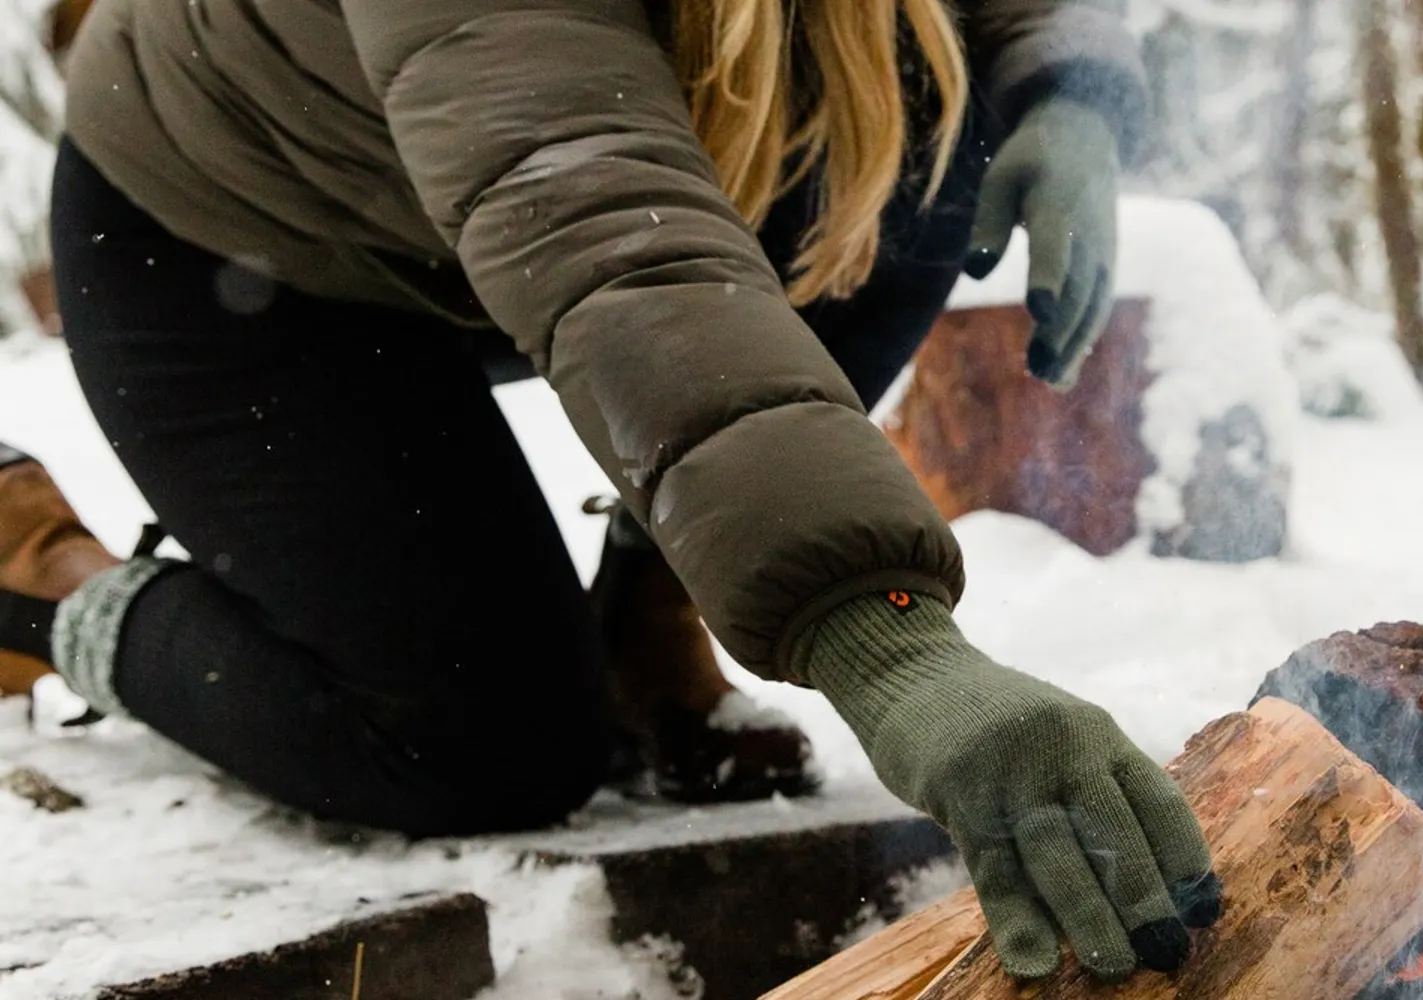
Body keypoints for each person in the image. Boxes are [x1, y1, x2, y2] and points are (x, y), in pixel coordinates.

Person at [0, 0, 1225, 981]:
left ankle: (651, 619)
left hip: (505, 207)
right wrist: (886, 642)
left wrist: (1066, 91)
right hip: (247, 239)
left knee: (924, 98)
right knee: (484, 748)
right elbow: (605, 232)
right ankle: (41, 574)